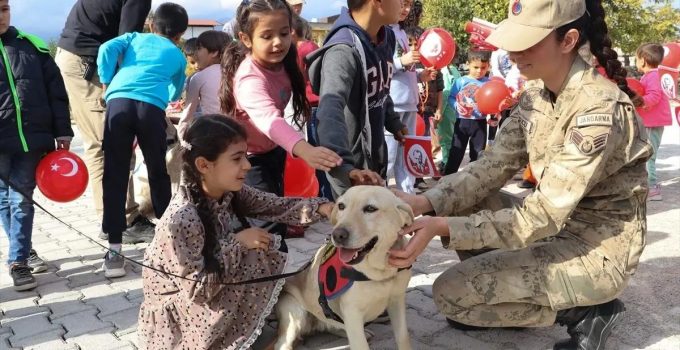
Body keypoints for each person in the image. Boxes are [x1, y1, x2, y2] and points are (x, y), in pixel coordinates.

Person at [388, 1, 653, 349]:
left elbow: (541, 214)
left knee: (450, 296)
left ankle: (587, 313)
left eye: (528, 42)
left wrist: (442, 227)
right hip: (555, 232)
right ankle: (506, 280)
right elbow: (489, 168)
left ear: (568, 40)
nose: (514, 53)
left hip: (593, 252)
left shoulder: (598, 111)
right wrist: (424, 202)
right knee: (463, 202)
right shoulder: (537, 94)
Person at [138, 115, 333, 349]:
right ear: (204, 165)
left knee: (262, 247)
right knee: (255, 251)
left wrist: (322, 208)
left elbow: (272, 205)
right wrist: (238, 243)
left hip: (205, 289)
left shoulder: (226, 191)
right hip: (182, 312)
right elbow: (197, 290)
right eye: (237, 158)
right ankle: (223, 335)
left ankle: (245, 323)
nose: (247, 166)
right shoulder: (183, 218)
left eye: (246, 156)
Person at [220, 0, 342, 251]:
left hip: (271, 152)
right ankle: (270, 281)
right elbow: (269, 120)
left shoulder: (284, 63)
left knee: (275, 216)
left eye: (284, 33)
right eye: (267, 36)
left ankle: (272, 276)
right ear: (245, 38)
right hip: (247, 160)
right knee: (267, 230)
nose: (278, 42)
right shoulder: (249, 77)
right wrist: (305, 150)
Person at [97, 2, 188, 278]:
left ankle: (115, 251)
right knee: (158, 171)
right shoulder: (178, 54)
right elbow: (176, 91)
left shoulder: (133, 38)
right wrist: (167, 92)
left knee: (115, 173)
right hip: (151, 111)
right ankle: (166, 244)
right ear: (179, 35)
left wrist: (106, 81)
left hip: (119, 103)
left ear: (151, 25)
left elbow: (106, 49)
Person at [55, 0, 153, 242]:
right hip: (86, 61)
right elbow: (125, 45)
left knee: (110, 142)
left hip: (80, 56)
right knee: (108, 143)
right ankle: (119, 222)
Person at [0, 0, 73, 290]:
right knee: (4, 199)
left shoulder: (33, 46)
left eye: (4, 8)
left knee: (21, 199)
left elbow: (57, 93)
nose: (1, 15)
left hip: (32, 139)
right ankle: (24, 250)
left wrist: (63, 131)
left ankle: (18, 262)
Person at [306, 0, 407, 199]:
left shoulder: (387, 37)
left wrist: (392, 121)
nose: (404, 4)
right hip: (354, 171)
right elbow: (330, 111)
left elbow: (379, 90)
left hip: (375, 159)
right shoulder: (343, 50)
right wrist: (344, 168)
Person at [385, 0, 426, 194]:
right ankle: (379, 196)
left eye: (409, 4)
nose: (406, 9)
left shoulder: (401, 32)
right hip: (392, 106)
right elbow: (380, 67)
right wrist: (402, 61)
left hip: (409, 103)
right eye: (402, 3)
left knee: (408, 154)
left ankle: (407, 196)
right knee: (389, 156)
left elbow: (405, 69)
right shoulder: (383, 33)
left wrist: (420, 75)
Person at [443, 49, 491, 175]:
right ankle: (447, 178)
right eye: (475, 67)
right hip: (462, 122)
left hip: (480, 123)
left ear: (488, 66)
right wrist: (457, 106)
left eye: (483, 68)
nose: (479, 71)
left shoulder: (489, 83)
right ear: (468, 64)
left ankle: (473, 180)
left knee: (478, 154)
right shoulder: (461, 81)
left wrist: (494, 115)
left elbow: (493, 102)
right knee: (456, 153)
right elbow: (451, 97)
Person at [635, 43, 672, 201]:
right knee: (647, 154)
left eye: (636, 59)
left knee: (648, 155)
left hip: (652, 123)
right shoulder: (653, 75)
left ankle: (652, 187)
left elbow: (654, 96)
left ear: (643, 60)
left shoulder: (653, 76)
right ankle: (650, 185)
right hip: (651, 122)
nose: (636, 62)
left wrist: (639, 101)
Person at [177, 30, 230, 139]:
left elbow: (187, 115)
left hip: (211, 132)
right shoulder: (234, 72)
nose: (195, 54)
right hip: (234, 131)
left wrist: (182, 138)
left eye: (199, 49)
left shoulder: (198, 77)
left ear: (214, 52)